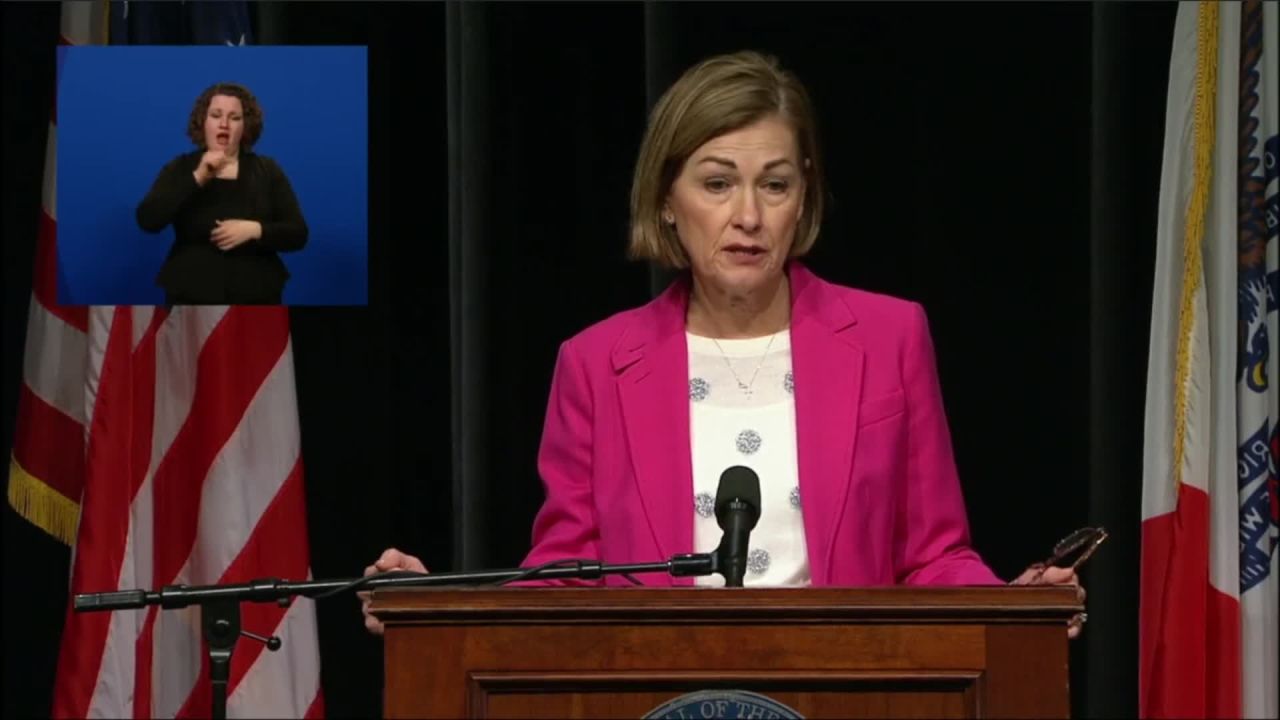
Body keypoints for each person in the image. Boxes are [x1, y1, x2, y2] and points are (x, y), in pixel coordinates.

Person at [362, 51, 1085, 636]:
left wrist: (1016, 607)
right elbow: (566, 575)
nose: (748, 216)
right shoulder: (596, 362)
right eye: (716, 183)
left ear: (803, 196)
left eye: (774, 185)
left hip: (849, 686)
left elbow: (932, 555)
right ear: (668, 202)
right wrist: (435, 609)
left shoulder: (891, 337)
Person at [136, 82, 307, 305]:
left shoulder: (267, 170)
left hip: (257, 295)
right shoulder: (180, 168)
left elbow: (298, 233)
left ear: (245, 126)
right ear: (203, 122)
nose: (224, 124)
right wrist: (197, 177)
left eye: (234, 117)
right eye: (216, 115)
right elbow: (148, 220)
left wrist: (255, 229)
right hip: (191, 296)